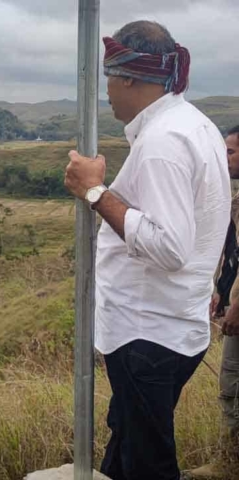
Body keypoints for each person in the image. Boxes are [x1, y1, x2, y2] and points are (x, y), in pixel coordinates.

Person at [64, 20, 231, 480]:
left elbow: (171, 246)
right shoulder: (195, 126)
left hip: (148, 332)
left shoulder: (162, 143)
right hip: (170, 325)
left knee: (148, 463)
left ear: (131, 77)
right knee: (128, 439)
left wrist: (95, 192)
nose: (108, 94)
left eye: (109, 80)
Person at [187, 125, 239, 479]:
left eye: (231, 152)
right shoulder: (233, 199)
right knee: (229, 386)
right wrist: (220, 289)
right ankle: (229, 463)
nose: (224, 158)